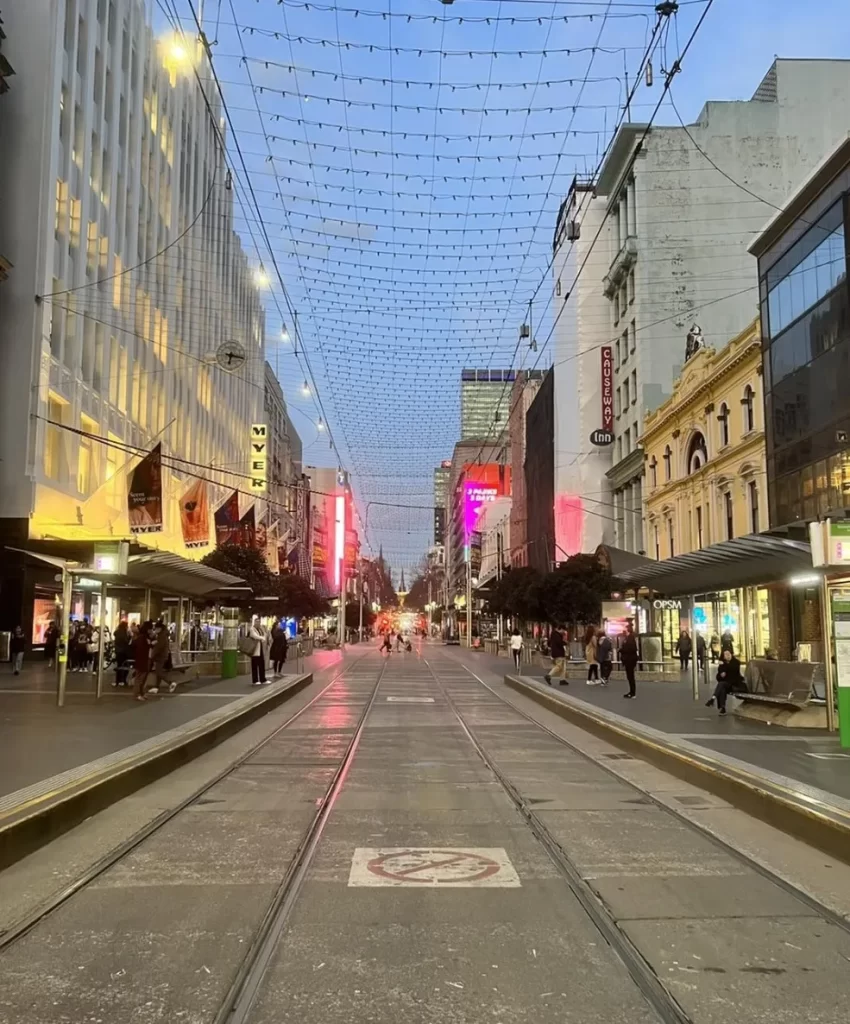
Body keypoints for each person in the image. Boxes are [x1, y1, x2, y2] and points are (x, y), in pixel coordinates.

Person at [706, 649, 746, 716]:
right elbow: (718, 677)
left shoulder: (736, 662)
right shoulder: (722, 664)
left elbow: (733, 670)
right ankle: (722, 708)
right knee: (722, 687)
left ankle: (713, 699)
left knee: (721, 685)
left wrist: (724, 665)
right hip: (726, 685)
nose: (728, 656)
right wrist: (721, 675)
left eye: (729, 654)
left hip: (735, 685)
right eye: (726, 654)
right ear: (723, 656)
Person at [149, 621, 175, 694]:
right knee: (159, 671)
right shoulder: (163, 635)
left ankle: (171, 683)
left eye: (156, 628)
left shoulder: (161, 636)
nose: (155, 630)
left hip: (160, 656)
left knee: (158, 671)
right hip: (163, 655)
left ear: (160, 628)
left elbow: (159, 647)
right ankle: (156, 687)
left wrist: (152, 655)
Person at [132, 621, 153, 701]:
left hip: (142, 660)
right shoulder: (143, 638)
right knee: (140, 679)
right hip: (142, 660)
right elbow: (141, 650)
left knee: (142, 679)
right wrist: (150, 644)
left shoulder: (142, 637)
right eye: (150, 629)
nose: (151, 631)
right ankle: (137, 694)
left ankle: (141, 693)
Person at [621, 622, 639, 699]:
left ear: (628, 630)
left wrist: (623, 650)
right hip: (629, 660)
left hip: (630, 660)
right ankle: (631, 692)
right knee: (629, 677)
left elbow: (632, 649)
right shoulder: (628, 637)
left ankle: (633, 693)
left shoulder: (630, 638)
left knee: (631, 676)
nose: (623, 630)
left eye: (625, 628)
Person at [248, 617, 267, 686]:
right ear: (254, 622)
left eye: (259, 622)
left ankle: (263, 679)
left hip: (259, 649)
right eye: (257, 622)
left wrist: (263, 632)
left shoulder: (260, 629)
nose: (258, 623)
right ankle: (255, 680)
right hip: (254, 650)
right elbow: (255, 636)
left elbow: (264, 635)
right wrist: (262, 638)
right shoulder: (252, 629)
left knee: (262, 664)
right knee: (255, 665)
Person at [113, 620, 131, 687]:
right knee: (125, 666)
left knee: (119, 666)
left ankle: (118, 681)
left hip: (118, 651)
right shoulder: (125, 633)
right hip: (124, 651)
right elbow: (127, 641)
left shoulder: (117, 632)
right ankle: (123, 680)